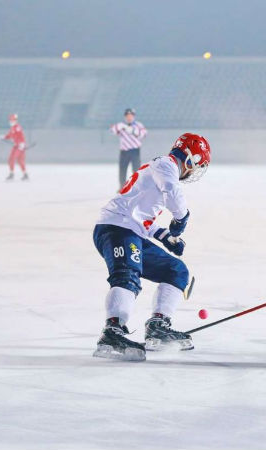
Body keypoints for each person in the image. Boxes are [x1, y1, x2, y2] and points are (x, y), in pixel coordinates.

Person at [92, 133, 210, 361]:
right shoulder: (166, 165)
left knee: (176, 270)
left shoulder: (158, 170)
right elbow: (172, 192)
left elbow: (142, 217)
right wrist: (181, 219)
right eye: (197, 166)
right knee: (127, 276)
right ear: (190, 159)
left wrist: (165, 236)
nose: (194, 172)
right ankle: (112, 331)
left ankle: (158, 325)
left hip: (130, 229)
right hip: (116, 228)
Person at [110, 108, 147, 188]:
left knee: (136, 170)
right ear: (125, 117)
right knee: (122, 170)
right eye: (127, 116)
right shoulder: (121, 125)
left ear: (134, 116)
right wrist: (119, 127)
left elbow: (144, 135)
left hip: (135, 151)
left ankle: (137, 187)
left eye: (131, 116)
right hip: (124, 151)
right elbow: (112, 131)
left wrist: (133, 131)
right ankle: (122, 187)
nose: (129, 117)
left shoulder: (138, 125)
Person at [0, 113, 28, 181]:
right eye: (10, 120)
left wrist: (22, 144)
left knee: (16, 159)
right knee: (13, 160)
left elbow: (21, 136)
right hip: (16, 146)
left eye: (13, 120)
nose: (11, 121)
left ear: (16, 120)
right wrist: (3, 137)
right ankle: (18, 174)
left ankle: (20, 174)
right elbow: (9, 135)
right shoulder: (13, 128)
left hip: (20, 146)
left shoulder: (17, 127)